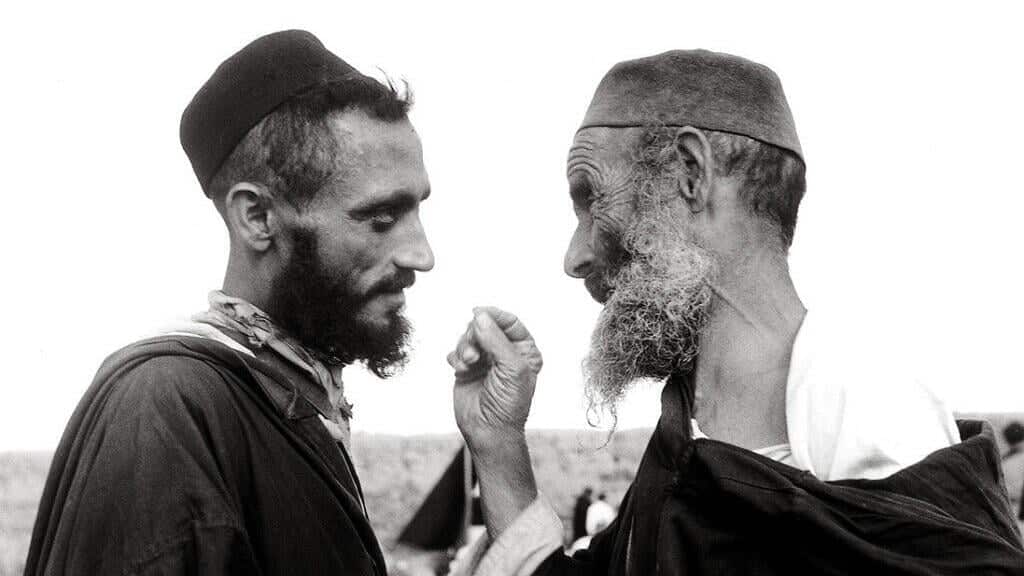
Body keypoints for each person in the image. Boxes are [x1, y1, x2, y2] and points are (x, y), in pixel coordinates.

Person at [449, 50, 1024, 574]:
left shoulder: (861, 397)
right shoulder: (687, 430)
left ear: (690, 173)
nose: (574, 258)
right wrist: (497, 441)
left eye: (591, 197)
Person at [25, 30, 433, 575]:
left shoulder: (282, 392)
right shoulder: (167, 408)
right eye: (381, 218)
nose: (422, 255)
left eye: (417, 211)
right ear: (258, 218)